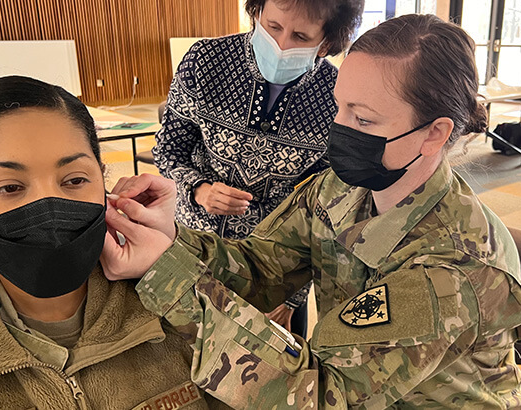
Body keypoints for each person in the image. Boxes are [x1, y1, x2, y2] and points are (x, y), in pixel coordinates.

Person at [103, 14, 521, 409]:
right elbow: (258, 267)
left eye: (363, 120)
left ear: (434, 134)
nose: (340, 129)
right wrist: (169, 239)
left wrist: (168, 276)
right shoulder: (340, 189)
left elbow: (323, 395)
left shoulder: (454, 269)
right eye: (338, 107)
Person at [0, 76, 230, 409]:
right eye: (9, 187)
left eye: (74, 179)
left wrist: (172, 263)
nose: (49, 205)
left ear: (103, 181)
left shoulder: (183, 304)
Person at [153, 0, 364, 335]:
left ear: (326, 43)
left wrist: (294, 294)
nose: (281, 46)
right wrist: (198, 189)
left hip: (278, 270)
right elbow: (167, 152)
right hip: (195, 250)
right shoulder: (206, 62)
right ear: (257, 12)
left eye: (300, 36)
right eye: (273, 27)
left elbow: (326, 201)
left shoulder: (334, 96)